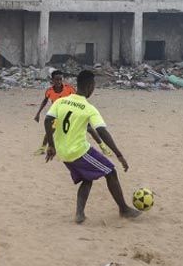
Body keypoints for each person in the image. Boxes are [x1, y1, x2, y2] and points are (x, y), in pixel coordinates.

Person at [43, 69, 141, 223]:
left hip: (62, 152)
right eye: (94, 86)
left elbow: (47, 120)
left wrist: (51, 145)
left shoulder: (61, 101)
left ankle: (79, 214)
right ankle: (124, 209)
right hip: (78, 151)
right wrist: (119, 154)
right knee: (110, 171)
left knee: (87, 178)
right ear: (90, 86)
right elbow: (102, 131)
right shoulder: (89, 108)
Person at [33, 70, 77, 154]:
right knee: (50, 130)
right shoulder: (49, 91)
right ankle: (42, 148)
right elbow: (44, 101)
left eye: (60, 79)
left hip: (69, 115)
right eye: (57, 79)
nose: (59, 81)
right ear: (52, 80)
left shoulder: (69, 89)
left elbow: (77, 99)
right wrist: (38, 113)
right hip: (57, 116)